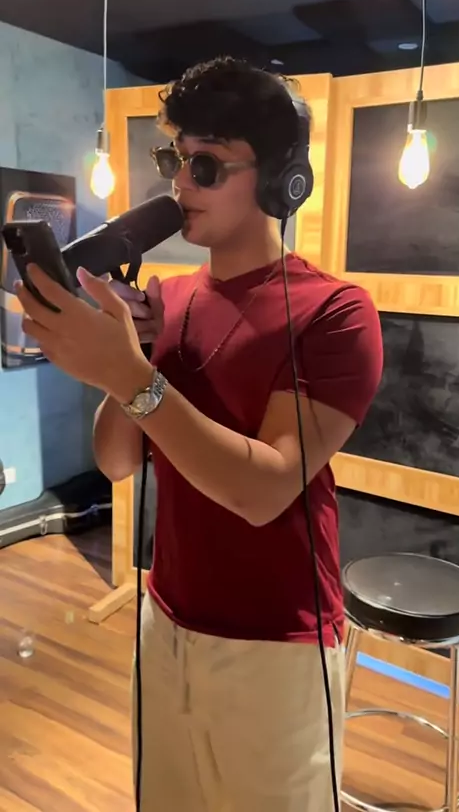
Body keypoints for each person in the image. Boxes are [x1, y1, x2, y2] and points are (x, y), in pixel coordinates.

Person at [17, 57, 383, 812]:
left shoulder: (337, 313)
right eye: (174, 159)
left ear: (281, 179)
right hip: (166, 618)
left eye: (206, 164)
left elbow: (264, 489)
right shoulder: (169, 300)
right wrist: (129, 364)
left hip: (276, 643)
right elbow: (116, 461)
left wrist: (132, 377)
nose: (181, 184)